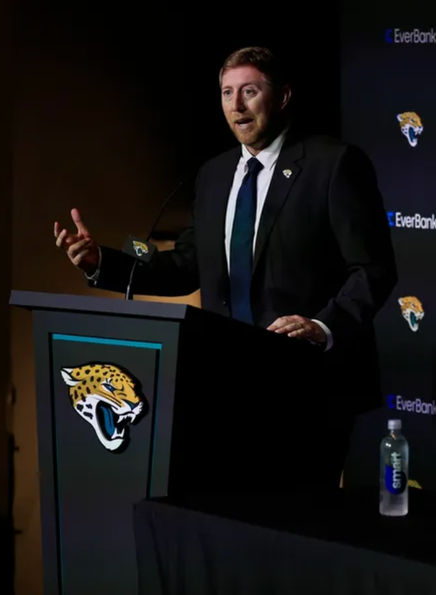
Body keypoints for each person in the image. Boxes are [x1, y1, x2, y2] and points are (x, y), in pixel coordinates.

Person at [53, 46, 397, 489]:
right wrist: (104, 263)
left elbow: (373, 268)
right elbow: (188, 265)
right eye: (226, 93)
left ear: (283, 96)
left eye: (249, 91)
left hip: (307, 387)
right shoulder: (214, 175)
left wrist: (322, 326)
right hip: (227, 385)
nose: (236, 105)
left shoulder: (333, 165)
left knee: (298, 525)